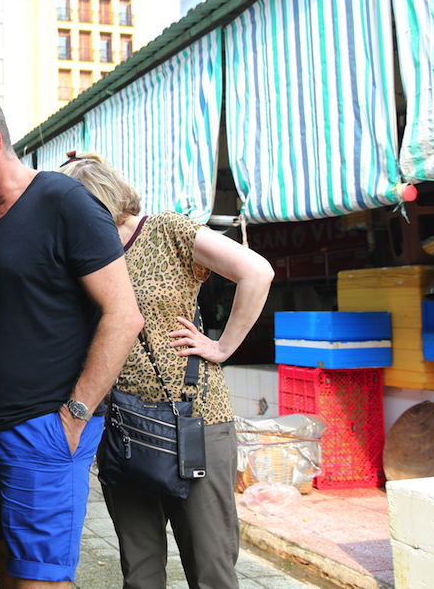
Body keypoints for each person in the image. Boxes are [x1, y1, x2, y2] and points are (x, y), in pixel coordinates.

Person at [0, 85, 145, 589]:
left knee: (40, 582)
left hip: (44, 430)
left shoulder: (66, 202)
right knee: (8, 575)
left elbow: (124, 316)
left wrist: (75, 416)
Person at [60, 151, 274, 589]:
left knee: (210, 566)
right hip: (120, 425)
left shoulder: (165, 230)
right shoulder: (80, 258)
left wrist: (222, 346)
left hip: (193, 422)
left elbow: (257, 271)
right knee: (139, 571)